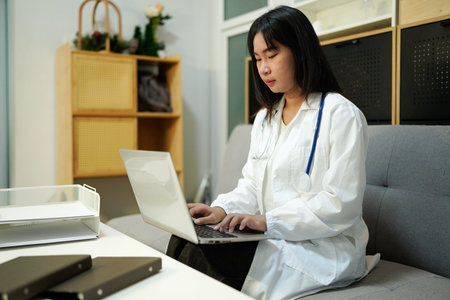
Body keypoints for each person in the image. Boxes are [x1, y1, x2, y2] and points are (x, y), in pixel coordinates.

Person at [167, 5, 370, 299]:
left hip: (322, 247)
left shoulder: (341, 115)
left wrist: (267, 221)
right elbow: (251, 183)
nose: (263, 68)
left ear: (301, 51)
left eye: (272, 55)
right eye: (258, 58)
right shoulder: (266, 118)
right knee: (184, 237)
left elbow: (341, 203)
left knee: (206, 257)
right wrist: (220, 209)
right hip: (272, 234)